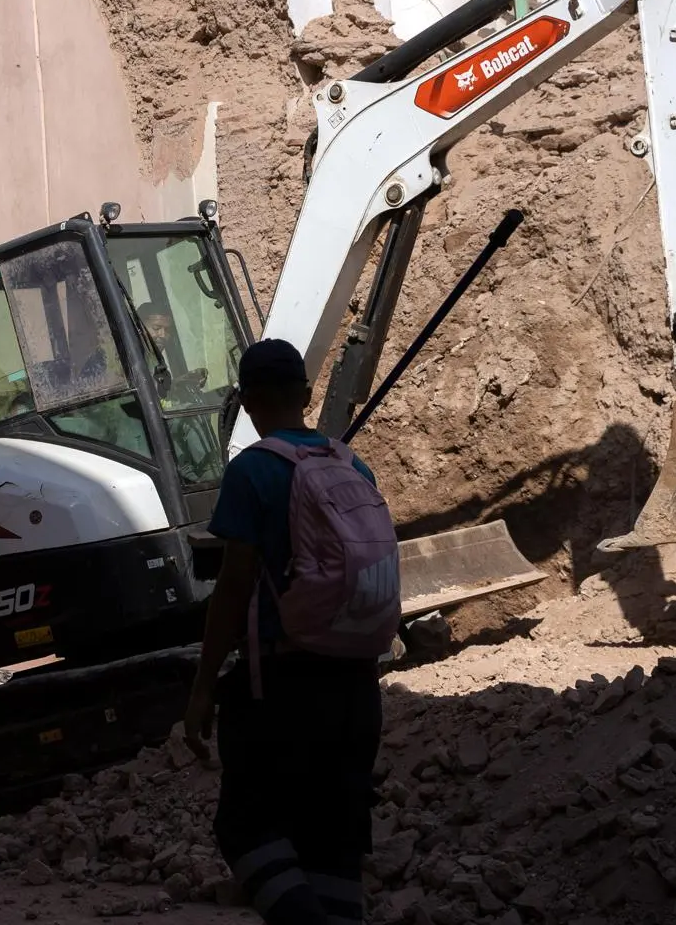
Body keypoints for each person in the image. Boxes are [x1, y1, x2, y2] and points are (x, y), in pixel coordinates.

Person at [183, 338, 388, 925]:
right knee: (332, 852)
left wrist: (202, 686)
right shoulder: (354, 465)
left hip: (283, 686)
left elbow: (234, 586)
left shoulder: (252, 471)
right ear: (306, 394)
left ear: (247, 403)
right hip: (357, 689)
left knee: (245, 827)